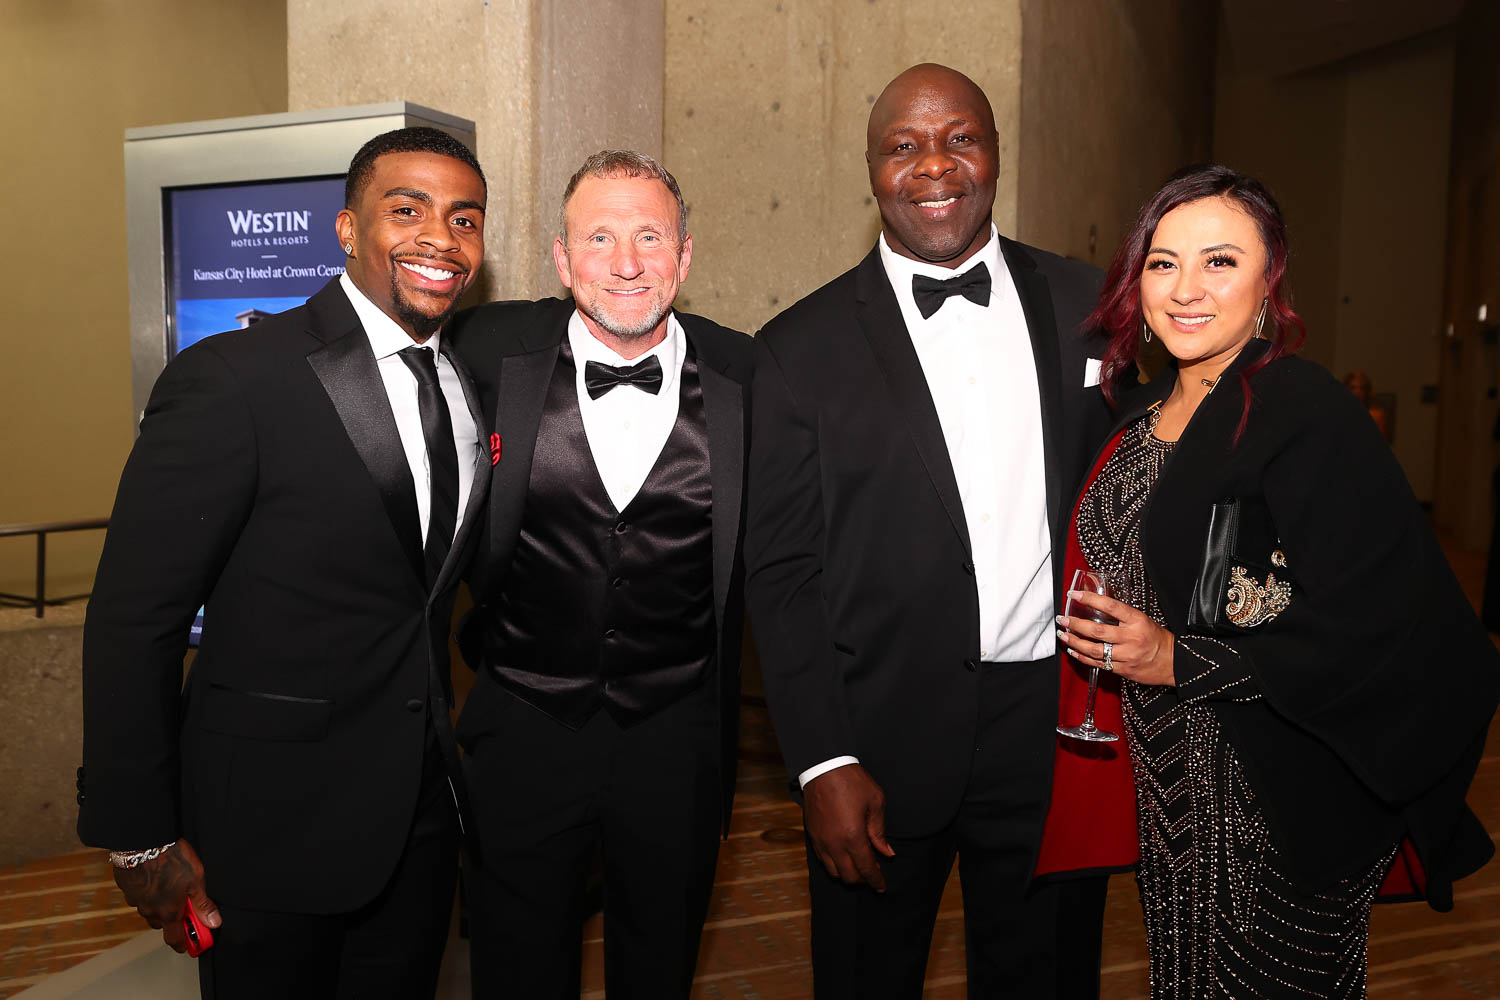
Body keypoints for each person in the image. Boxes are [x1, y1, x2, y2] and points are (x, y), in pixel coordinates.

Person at [1055, 163, 1499, 996]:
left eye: (1219, 261)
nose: (1186, 287)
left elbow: (1379, 625)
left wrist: (1180, 660)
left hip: (1281, 800)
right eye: (1162, 262)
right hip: (1172, 790)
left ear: (1268, 282)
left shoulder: (1302, 409)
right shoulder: (1140, 411)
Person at [78, 127, 490, 1000]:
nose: (439, 237)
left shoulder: (462, 383)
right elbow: (134, 618)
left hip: (417, 826)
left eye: (465, 217)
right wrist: (140, 836)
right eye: (405, 209)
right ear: (346, 229)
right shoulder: (234, 375)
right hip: (266, 833)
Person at [745, 63, 1117, 998]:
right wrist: (823, 761)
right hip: (877, 745)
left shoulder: (1094, 310)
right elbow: (783, 576)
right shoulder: (798, 348)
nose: (934, 165)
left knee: (1048, 978)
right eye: (903, 146)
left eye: (960, 137)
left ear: (995, 154)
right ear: (871, 171)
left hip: (1055, 731)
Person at [449, 149, 750, 998]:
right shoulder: (485, 350)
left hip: (677, 737)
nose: (625, 263)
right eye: (600, 237)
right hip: (521, 730)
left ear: (685, 257)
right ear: (559, 258)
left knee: (659, 971)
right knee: (513, 971)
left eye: (650, 236)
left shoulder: (746, 375)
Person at [1342, 368, 1392, 440]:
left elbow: (1381, 443)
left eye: (1362, 388)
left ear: (1367, 391)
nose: (1358, 392)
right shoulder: (1340, 414)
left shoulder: (1376, 415)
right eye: (1353, 388)